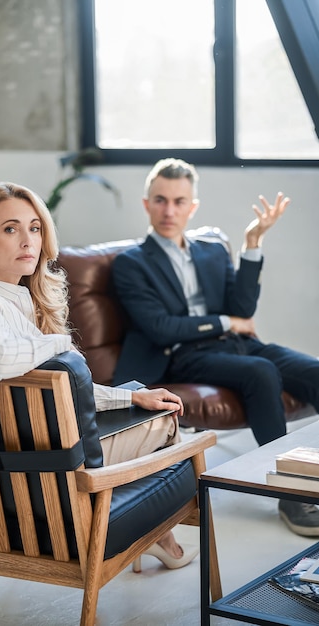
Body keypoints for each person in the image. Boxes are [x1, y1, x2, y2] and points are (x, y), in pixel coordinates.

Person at [0, 181, 198, 570]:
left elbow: (59, 383)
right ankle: (151, 536)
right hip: (44, 468)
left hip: (37, 453)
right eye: (10, 229)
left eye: (34, 228)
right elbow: (0, 359)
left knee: (148, 402)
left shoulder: (12, 302)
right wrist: (59, 343)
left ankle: (153, 538)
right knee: (165, 423)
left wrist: (130, 398)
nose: (27, 240)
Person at [111, 157, 319, 537]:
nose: (169, 210)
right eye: (160, 200)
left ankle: (314, 474)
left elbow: (242, 309)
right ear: (146, 204)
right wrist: (224, 322)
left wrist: (252, 242)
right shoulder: (132, 263)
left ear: (193, 207)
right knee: (261, 371)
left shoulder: (212, 250)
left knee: (314, 371)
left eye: (178, 201)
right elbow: (160, 328)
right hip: (185, 355)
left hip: (238, 344)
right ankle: (292, 493)